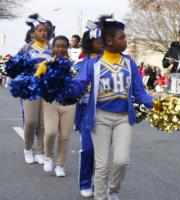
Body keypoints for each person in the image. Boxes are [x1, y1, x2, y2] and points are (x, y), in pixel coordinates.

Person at [66, 15, 154, 200]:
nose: (126, 41)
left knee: (122, 161)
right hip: (100, 118)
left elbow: (139, 91)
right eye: (122, 38)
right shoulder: (93, 64)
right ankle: (100, 196)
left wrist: (156, 104)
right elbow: (78, 85)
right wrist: (63, 86)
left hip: (123, 118)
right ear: (110, 41)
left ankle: (113, 190)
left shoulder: (129, 62)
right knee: (102, 164)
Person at [35, 36, 76, 177]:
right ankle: (48, 157)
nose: (60, 49)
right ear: (53, 48)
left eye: (63, 46)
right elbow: (36, 81)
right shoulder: (45, 64)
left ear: (67, 48)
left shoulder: (73, 65)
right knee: (51, 132)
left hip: (69, 104)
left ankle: (60, 165)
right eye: (57, 46)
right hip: (51, 103)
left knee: (64, 136)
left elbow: (79, 83)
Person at [74, 22, 103, 198]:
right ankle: (85, 182)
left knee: (104, 154)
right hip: (86, 112)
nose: (100, 42)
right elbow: (75, 88)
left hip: (108, 112)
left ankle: (100, 184)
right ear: (88, 41)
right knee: (89, 149)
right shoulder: (80, 64)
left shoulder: (114, 61)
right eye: (96, 39)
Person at [19, 14, 52, 164]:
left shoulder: (52, 48)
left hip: (47, 88)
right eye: (40, 30)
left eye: (45, 30)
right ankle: (27, 148)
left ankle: (40, 151)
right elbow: (17, 66)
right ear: (34, 32)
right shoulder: (26, 48)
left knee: (44, 122)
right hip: (30, 87)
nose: (43, 32)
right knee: (31, 121)